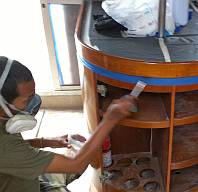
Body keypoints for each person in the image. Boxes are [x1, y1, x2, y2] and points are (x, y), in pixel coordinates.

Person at [0, 56, 136, 192]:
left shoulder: (5, 123)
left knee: (80, 148)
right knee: (80, 157)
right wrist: (110, 119)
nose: (33, 102)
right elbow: (75, 165)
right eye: (26, 100)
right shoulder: (4, 146)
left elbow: (15, 149)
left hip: (27, 179)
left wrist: (48, 141)